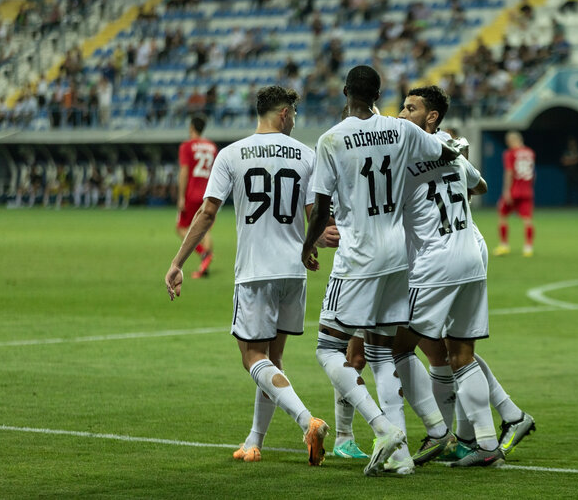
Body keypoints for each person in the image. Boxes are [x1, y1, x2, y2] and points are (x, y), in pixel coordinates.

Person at [301, 65, 460, 476]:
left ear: (345, 92)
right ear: (378, 94)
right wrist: (456, 145)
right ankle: (402, 458)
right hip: (397, 256)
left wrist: (307, 245)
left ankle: (383, 428)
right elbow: (444, 152)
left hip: (358, 258)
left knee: (327, 349)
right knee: (380, 353)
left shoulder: (332, 138)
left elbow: (321, 208)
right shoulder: (401, 129)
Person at [164, 85, 329, 465]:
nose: (295, 120)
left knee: (253, 358)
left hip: (256, 270)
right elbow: (314, 216)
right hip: (294, 271)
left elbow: (207, 212)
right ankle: (254, 441)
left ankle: (307, 421)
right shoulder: (307, 155)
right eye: (294, 114)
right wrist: (318, 241)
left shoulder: (232, 154)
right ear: (284, 113)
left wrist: (178, 262)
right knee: (273, 359)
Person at [395, 86, 535, 466]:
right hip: (469, 255)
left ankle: (438, 431)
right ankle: (486, 443)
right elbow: (481, 185)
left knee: (395, 346)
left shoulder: (404, 158)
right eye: (403, 107)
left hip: (435, 263)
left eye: (410, 108)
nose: (402, 114)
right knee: (459, 353)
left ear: (431, 116)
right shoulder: (452, 149)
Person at [176, 116, 217, 279]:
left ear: (191, 127)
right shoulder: (212, 147)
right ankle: (204, 267)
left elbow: (184, 172)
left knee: (181, 228)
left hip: (192, 194)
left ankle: (204, 254)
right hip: (208, 193)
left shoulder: (187, 146)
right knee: (205, 229)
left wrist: (181, 196)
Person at [494, 131, 535, 257]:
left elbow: (509, 172)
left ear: (512, 141)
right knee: (527, 219)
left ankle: (504, 245)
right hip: (527, 190)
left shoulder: (510, 153)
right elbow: (533, 173)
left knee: (502, 215)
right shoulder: (530, 152)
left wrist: (506, 190)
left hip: (513, 190)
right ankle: (528, 248)